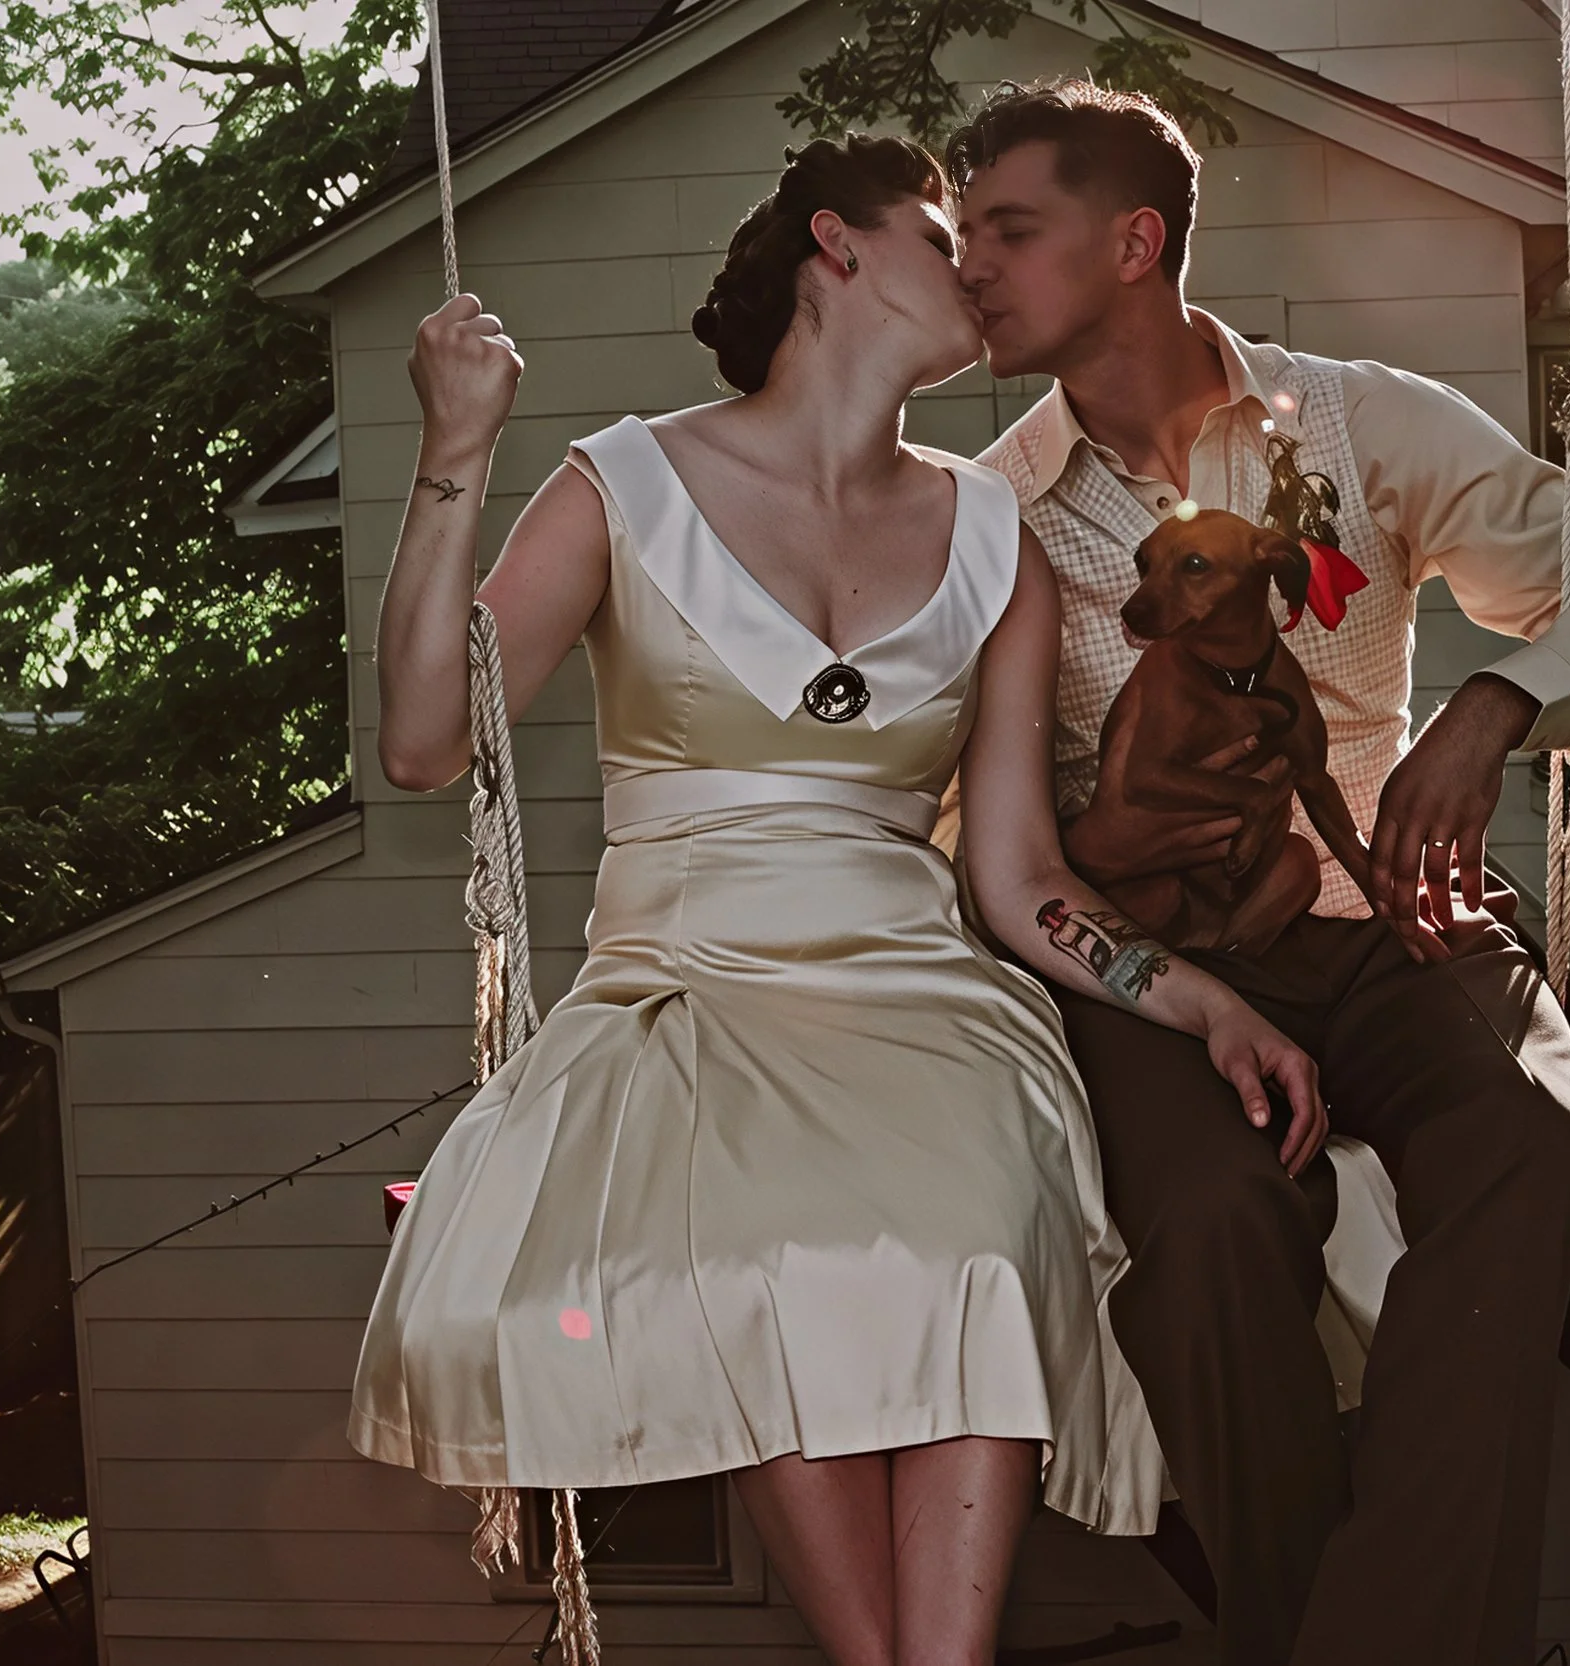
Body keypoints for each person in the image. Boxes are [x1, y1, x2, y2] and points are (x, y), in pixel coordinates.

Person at [345, 134, 1337, 1666]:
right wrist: (457, 450)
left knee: (981, 1242)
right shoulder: (623, 483)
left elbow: (1016, 878)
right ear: (840, 245)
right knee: (772, 1249)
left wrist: (1207, 1003)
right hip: (689, 988)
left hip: (922, 999)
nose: (985, 269)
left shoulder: (989, 533)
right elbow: (420, 743)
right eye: (950, 235)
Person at [939, 82, 1570, 1665]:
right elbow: (981, 839)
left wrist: (1496, 705)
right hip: (1168, 978)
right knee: (1215, 1232)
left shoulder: (1367, 424)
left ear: (1135, 241)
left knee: (1531, 1148)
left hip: (1395, 925)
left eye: (1010, 231)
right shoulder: (989, 514)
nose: (973, 267)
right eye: (964, 237)